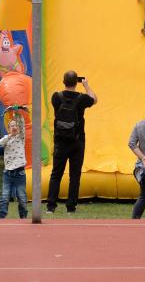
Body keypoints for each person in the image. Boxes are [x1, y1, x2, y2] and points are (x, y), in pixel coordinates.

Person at [46, 71, 97, 214]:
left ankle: (51, 206)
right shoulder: (82, 99)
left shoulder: (56, 97)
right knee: (74, 175)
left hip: (60, 141)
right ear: (76, 82)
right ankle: (71, 207)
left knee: (56, 174)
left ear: (64, 81)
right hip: (77, 141)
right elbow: (95, 99)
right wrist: (86, 86)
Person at [0, 117, 27, 219]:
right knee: (5, 197)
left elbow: (22, 124)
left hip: (19, 173)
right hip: (8, 173)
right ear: (9, 129)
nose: (14, 127)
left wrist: (17, 113)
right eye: (12, 126)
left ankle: (23, 217)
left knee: (22, 197)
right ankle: (2, 218)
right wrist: (10, 135)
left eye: (16, 125)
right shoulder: (6, 138)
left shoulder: (21, 137)